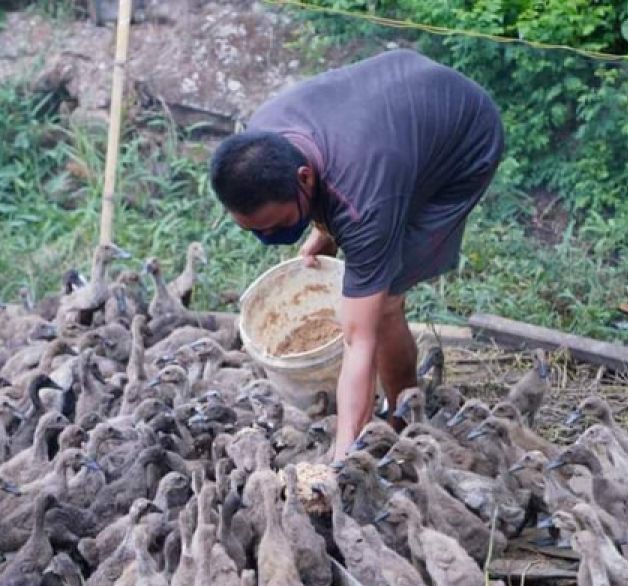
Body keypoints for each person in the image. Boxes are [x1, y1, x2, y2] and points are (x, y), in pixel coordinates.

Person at [209, 49, 504, 462]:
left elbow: (356, 340)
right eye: (255, 230)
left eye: (276, 225)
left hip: (462, 142)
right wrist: (325, 230)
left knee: (383, 305)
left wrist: (343, 453)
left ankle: (403, 413)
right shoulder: (261, 141)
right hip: (396, 111)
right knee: (362, 246)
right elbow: (331, 190)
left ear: (304, 179)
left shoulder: (364, 201)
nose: (268, 237)